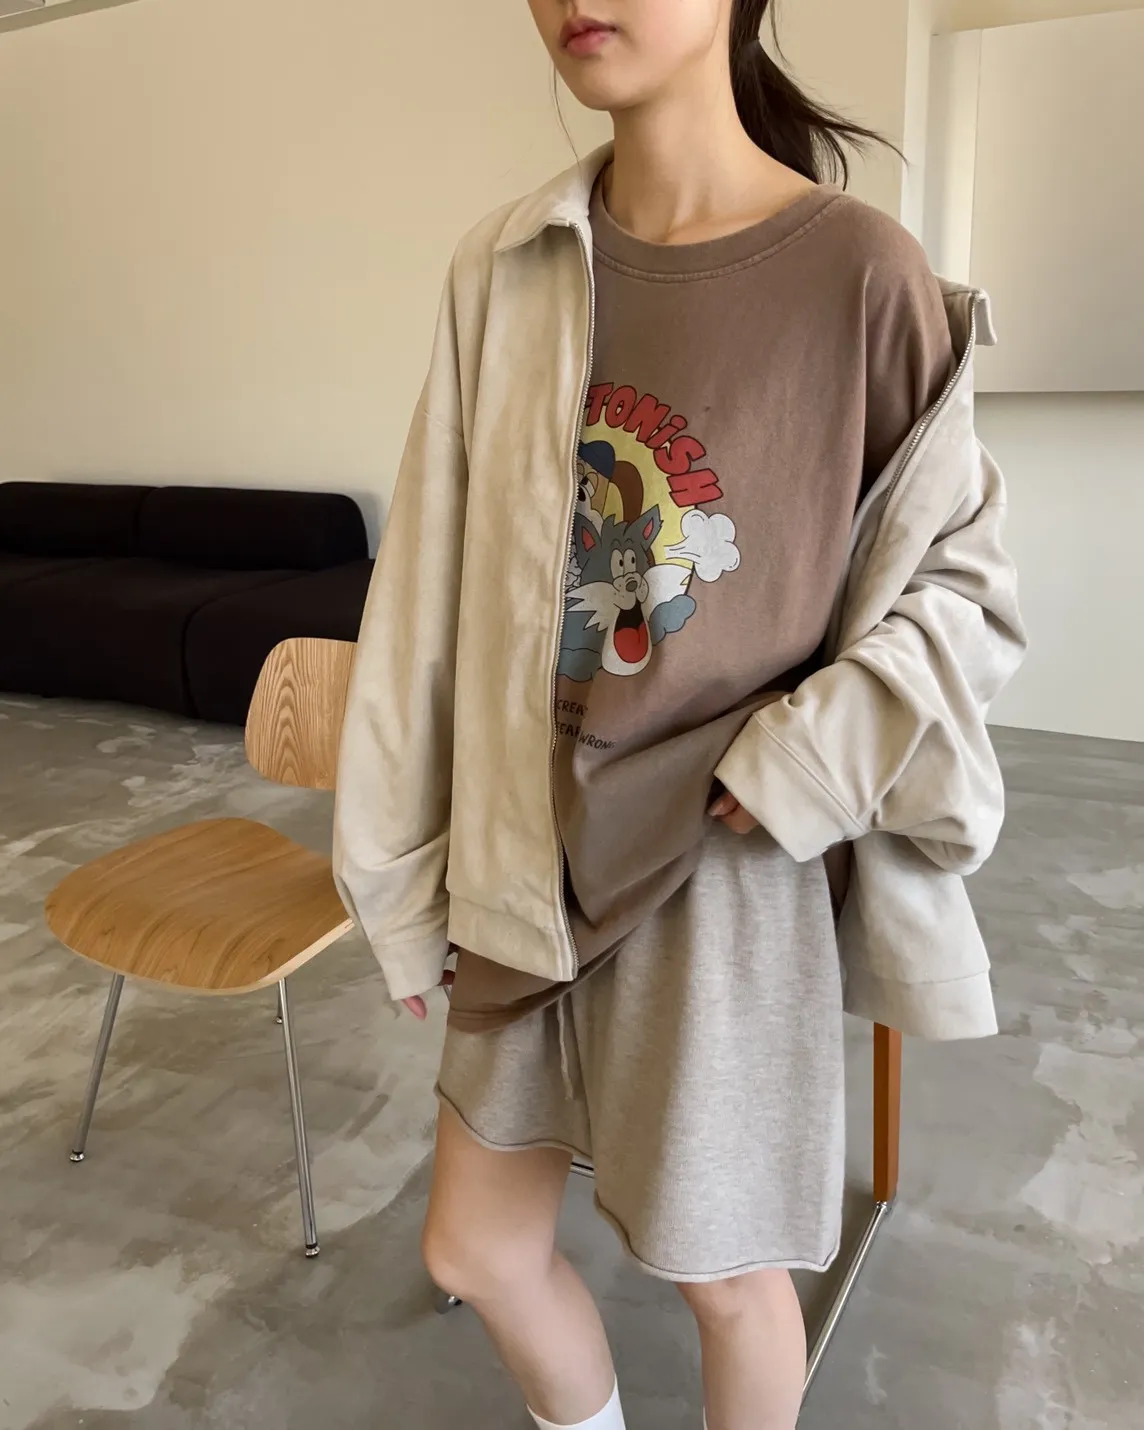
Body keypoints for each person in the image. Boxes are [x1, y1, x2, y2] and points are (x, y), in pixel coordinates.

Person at [333, 2, 1025, 1427]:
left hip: (721, 860)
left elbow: (963, 588)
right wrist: (400, 869)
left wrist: (808, 760)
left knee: (727, 1277)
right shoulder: (509, 263)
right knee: (475, 1246)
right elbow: (428, 587)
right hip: (527, 847)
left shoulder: (858, 272)